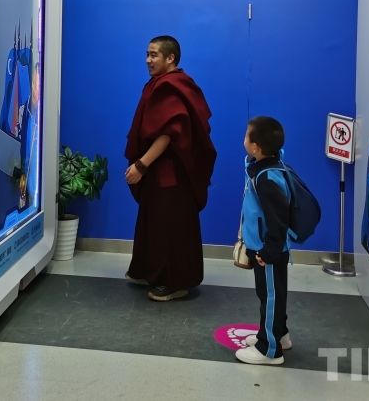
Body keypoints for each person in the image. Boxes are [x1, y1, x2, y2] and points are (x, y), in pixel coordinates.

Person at [124, 36, 217, 302]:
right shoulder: (161, 83)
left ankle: (176, 282)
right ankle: (149, 271)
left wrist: (142, 164)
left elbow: (169, 132)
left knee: (172, 227)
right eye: (147, 54)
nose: (148, 60)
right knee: (154, 222)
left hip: (171, 172)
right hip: (159, 169)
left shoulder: (172, 85)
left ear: (170, 58)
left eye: (154, 55)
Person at [236, 116, 293, 365]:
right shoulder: (265, 167)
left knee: (269, 296)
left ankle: (269, 349)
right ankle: (280, 335)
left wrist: (268, 251)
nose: (244, 139)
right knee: (275, 293)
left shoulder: (267, 178)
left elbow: (277, 219)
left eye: (246, 136)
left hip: (266, 250)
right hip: (267, 247)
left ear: (255, 146)